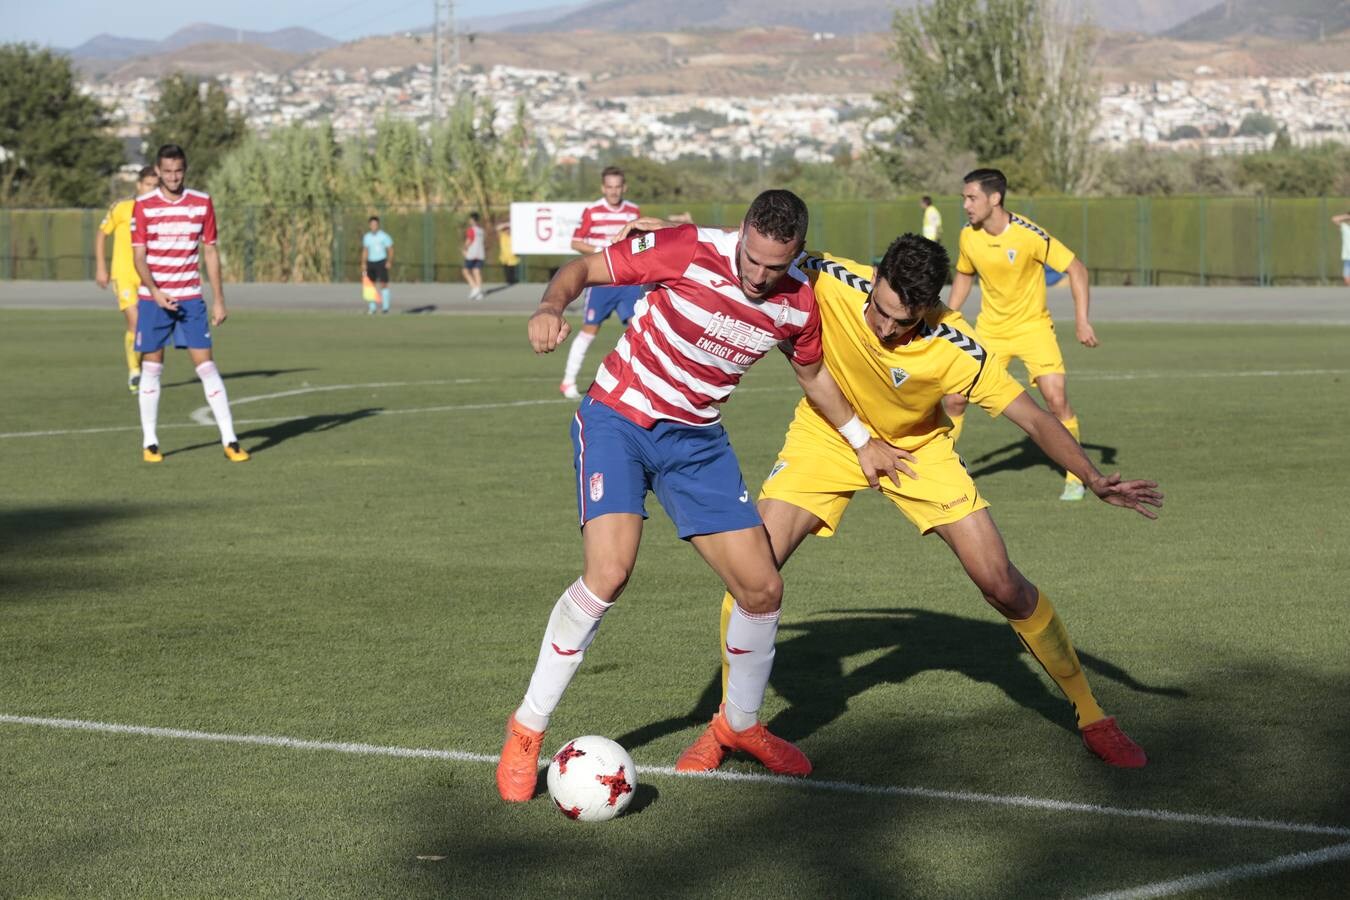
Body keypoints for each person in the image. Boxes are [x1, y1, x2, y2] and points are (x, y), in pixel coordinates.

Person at [616, 226, 1161, 772]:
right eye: (880, 310)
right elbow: (754, 238)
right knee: (751, 571)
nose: (886, 329)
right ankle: (731, 725)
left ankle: (1093, 716)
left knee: (1002, 584)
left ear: (932, 307)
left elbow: (1034, 417)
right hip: (829, 436)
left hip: (917, 451)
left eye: (905, 321)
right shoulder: (832, 275)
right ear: (873, 279)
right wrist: (651, 232)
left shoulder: (960, 349)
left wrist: (1091, 477)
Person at [496, 191, 915, 802]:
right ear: (741, 232)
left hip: (696, 443)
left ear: (796, 253)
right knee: (609, 573)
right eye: (751, 257)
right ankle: (527, 728)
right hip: (618, 420)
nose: (757, 275)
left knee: (762, 587)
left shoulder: (798, 302)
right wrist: (549, 305)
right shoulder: (689, 249)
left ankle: (739, 725)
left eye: (775, 266)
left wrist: (860, 441)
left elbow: (812, 375)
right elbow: (584, 268)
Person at [945, 168, 1097, 501]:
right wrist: (947, 317)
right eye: (964, 199)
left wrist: (1082, 321)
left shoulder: (1029, 234)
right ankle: (942, 468)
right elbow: (963, 275)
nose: (966, 205)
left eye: (972, 198)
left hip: (1033, 329)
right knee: (955, 397)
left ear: (994, 198)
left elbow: (1076, 268)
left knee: (1056, 400)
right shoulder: (968, 236)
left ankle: (1076, 476)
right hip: (991, 332)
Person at [130, 143, 249, 464]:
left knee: (207, 366)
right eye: (166, 171)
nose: (172, 176)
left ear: (185, 169)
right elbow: (138, 257)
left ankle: (230, 440)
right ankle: (150, 442)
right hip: (153, 300)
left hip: (190, 299)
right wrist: (154, 291)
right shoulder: (142, 206)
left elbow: (210, 251)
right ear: (158, 171)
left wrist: (219, 299)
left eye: (178, 170)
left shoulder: (201, 203)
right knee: (152, 368)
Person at [558, 166, 642, 400]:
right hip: (601, 282)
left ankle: (636, 382)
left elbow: (639, 241)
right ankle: (568, 381)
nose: (614, 192)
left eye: (618, 187)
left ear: (624, 187)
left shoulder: (633, 210)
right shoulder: (593, 211)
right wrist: (602, 251)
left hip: (628, 281)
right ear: (603, 188)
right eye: (610, 187)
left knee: (639, 329)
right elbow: (576, 242)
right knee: (589, 331)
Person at [95, 166, 159, 392]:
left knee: (149, 326)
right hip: (124, 275)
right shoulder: (122, 207)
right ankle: (135, 372)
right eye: (148, 185)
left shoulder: (159, 210)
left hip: (150, 276)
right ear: (139, 185)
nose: (151, 190)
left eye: (155, 186)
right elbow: (102, 234)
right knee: (135, 322)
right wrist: (102, 267)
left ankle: (144, 367)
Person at [361, 216, 394, 314]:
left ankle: (385, 307)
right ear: (369, 225)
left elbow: (390, 249)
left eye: (375, 224)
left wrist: (389, 261)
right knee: (370, 285)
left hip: (381, 261)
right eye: (372, 225)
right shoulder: (367, 237)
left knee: (384, 284)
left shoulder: (384, 236)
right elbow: (365, 250)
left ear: (378, 225)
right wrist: (363, 263)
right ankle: (372, 308)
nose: (373, 226)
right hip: (371, 262)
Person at [462, 212, 486, 301]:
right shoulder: (481, 230)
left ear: (472, 220)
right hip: (480, 253)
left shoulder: (471, 230)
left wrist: (464, 248)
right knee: (477, 272)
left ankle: (474, 288)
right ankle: (479, 292)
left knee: (465, 271)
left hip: (472, 254)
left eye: (470, 219)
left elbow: (469, 240)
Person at [495, 220, 520, 285]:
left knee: (513, 271)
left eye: (508, 229)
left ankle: (513, 281)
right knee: (507, 271)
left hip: (513, 257)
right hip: (505, 257)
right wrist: (506, 224)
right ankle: (508, 282)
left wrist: (510, 225)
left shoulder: (514, 236)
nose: (507, 231)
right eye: (506, 229)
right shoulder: (502, 235)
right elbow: (497, 228)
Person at [1333, 211, 1350, 286]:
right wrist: (1347, 216)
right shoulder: (1344, 227)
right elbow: (1334, 219)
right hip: (1347, 256)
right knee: (1346, 279)